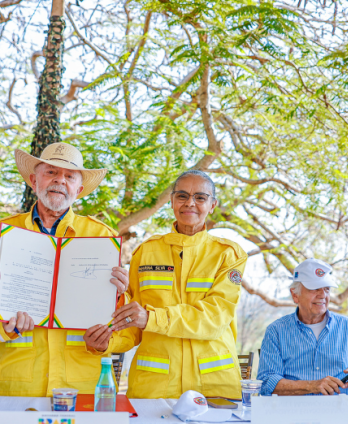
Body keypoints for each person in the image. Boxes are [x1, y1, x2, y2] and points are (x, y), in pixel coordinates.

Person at [0, 142, 131, 396]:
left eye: (69, 176)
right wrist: (2, 327)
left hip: (81, 387)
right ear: (34, 180)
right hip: (14, 384)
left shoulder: (103, 237)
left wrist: (116, 306)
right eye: (51, 172)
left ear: (80, 187)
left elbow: (122, 312)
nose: (60, 181)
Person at [105, 170, 248, 399]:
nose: (190, 203)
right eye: (182, 196)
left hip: (215, 386)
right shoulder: (145, 252)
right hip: (154, 386)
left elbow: (215, 317)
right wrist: (106, 341)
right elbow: (132, 322)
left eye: (200, 197)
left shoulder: (229, 255)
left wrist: (152, 318)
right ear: (171, 201)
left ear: (213, 205)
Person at [257, 258, 348, 396]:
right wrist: (311, 386)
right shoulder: (276, 331)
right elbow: (266, 382)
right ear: (295, 295)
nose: (323, 295)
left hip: (342, 411)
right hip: (294, 412)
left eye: (327, 289)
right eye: (314, 289)